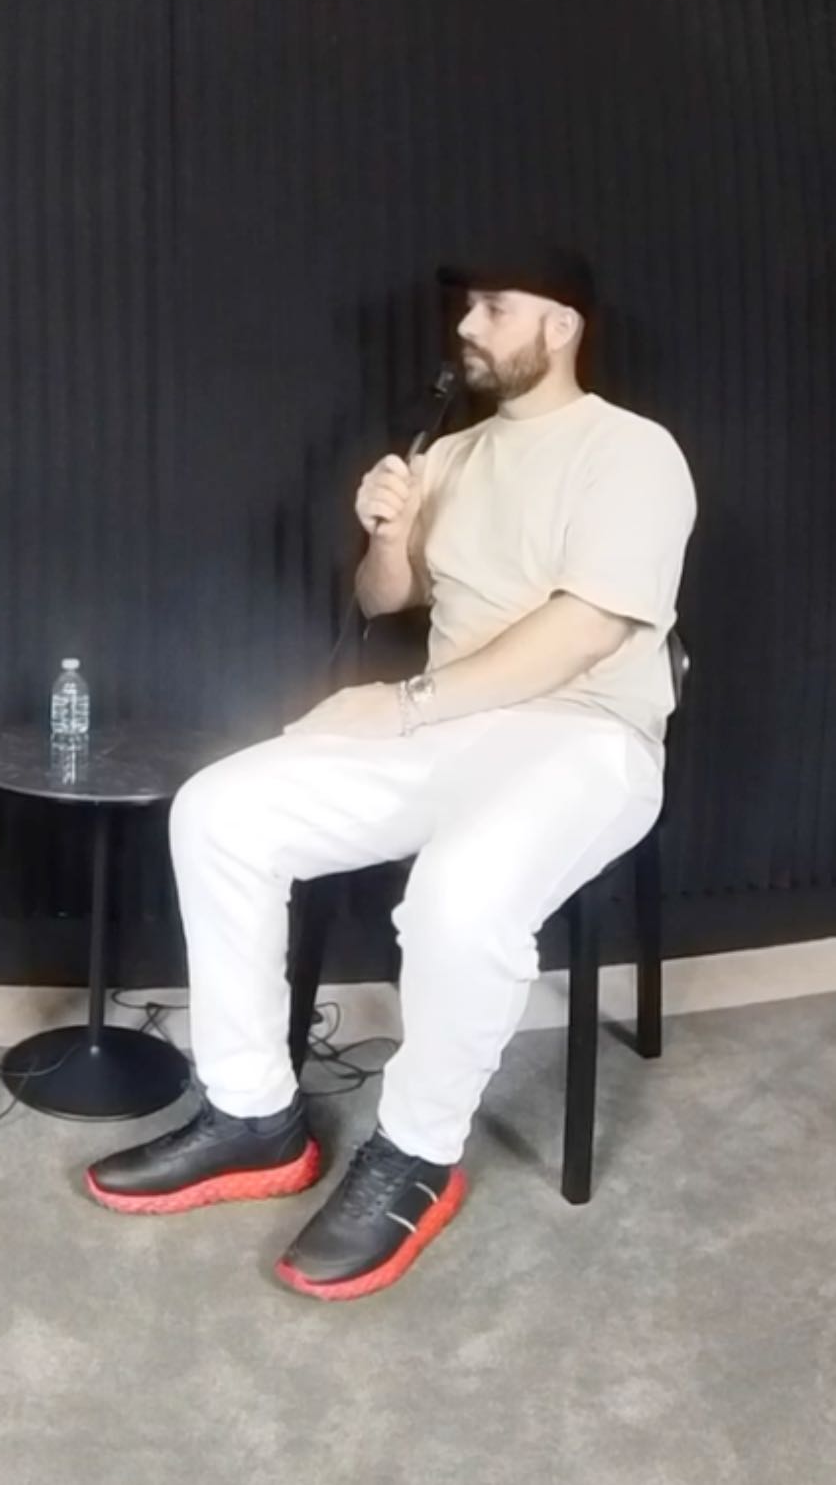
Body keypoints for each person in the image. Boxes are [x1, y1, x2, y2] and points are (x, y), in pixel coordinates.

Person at [86, 244, 696, 1300]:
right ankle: (253, 1118)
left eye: (494, 308)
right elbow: (383, 603)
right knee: (220, 810)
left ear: (560, 326)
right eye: (466, 308)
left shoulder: (631, 451)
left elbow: (587, 630)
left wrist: (404, 703)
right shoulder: (450, 455)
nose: (466, 326)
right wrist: (391, 536)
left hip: (590, 737)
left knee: (458, 900)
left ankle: (417, 1154)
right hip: (454, 728)